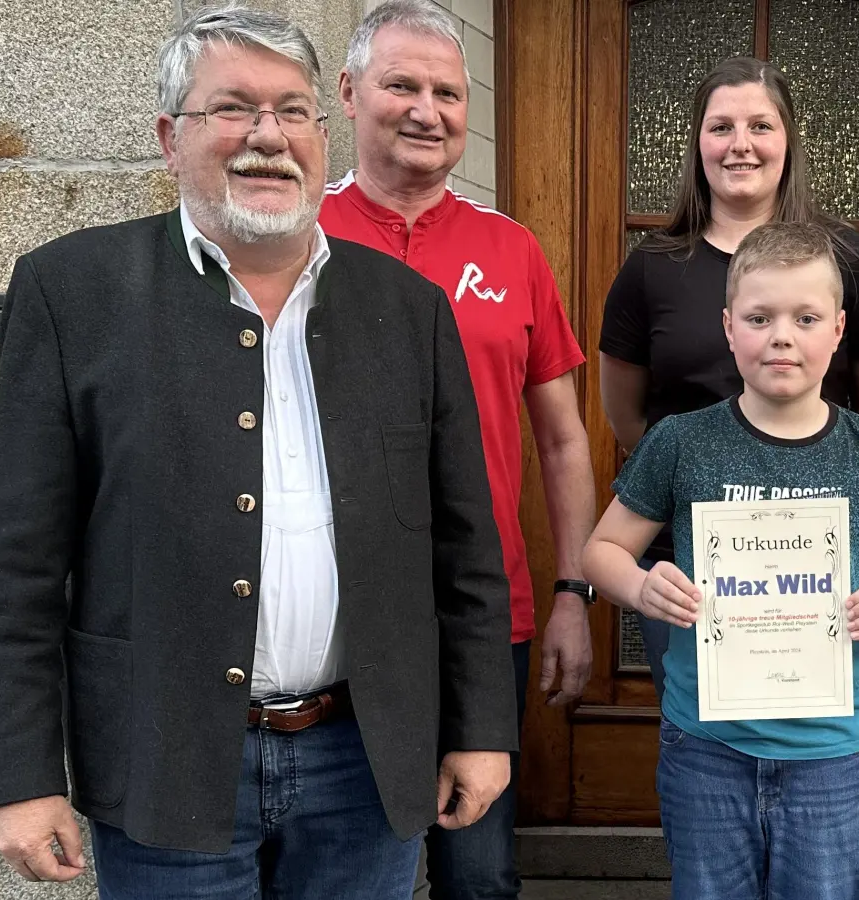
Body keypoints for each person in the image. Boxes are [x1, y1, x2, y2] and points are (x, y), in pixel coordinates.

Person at [0, 6, 518, 897]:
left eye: (293, 111)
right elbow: (17, 567)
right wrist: (21, 778)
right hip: (166, 758)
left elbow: (464, 548)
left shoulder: (410, 310)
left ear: (322, 132)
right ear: (169, 138)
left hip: (362, 764)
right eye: (232, 109)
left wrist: (480, 726)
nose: (269, 136)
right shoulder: (74, 293)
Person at [319, 4, 596, 895]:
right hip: (336, 619)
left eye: (448, 91)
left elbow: (561, 440)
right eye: (402, 85)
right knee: (358, 865)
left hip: (483, 615)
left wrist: (571, 593)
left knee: (480, 871)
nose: (426, 110)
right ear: (349, 92)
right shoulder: (297, 240)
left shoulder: (509, 248)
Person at [583, 222, 859, 900]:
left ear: (839, 329)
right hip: (707, 752)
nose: (782, 336)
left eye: (805, 317)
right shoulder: (680, 442)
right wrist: (639, 583)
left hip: (830, 756)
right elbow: (601, 551)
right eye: (760, 317)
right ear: (728, 326)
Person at [599, 56, 859, 701]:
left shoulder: (845, 257)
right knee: (697, 718)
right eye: (721, 127)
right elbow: (625, 412)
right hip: (687, 552)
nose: (741, 144)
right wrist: (692, 471)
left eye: (760, 125)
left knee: (809, 723)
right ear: (697, 144)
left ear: (788, 140)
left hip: (815, 554)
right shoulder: (651, 266)